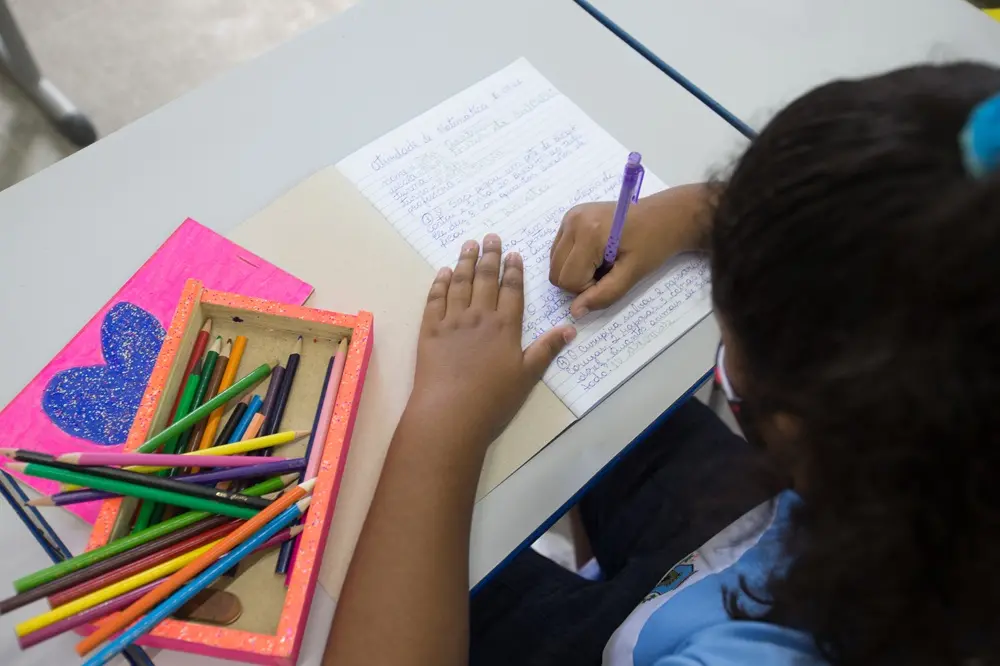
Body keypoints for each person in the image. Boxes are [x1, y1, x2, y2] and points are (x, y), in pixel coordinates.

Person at [324, 63, 1000, 666]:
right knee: (607, 436)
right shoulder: (944, 440)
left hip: (688, 625)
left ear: (794, 421)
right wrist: (693, 214)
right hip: (768, 538)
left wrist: (446, 418)